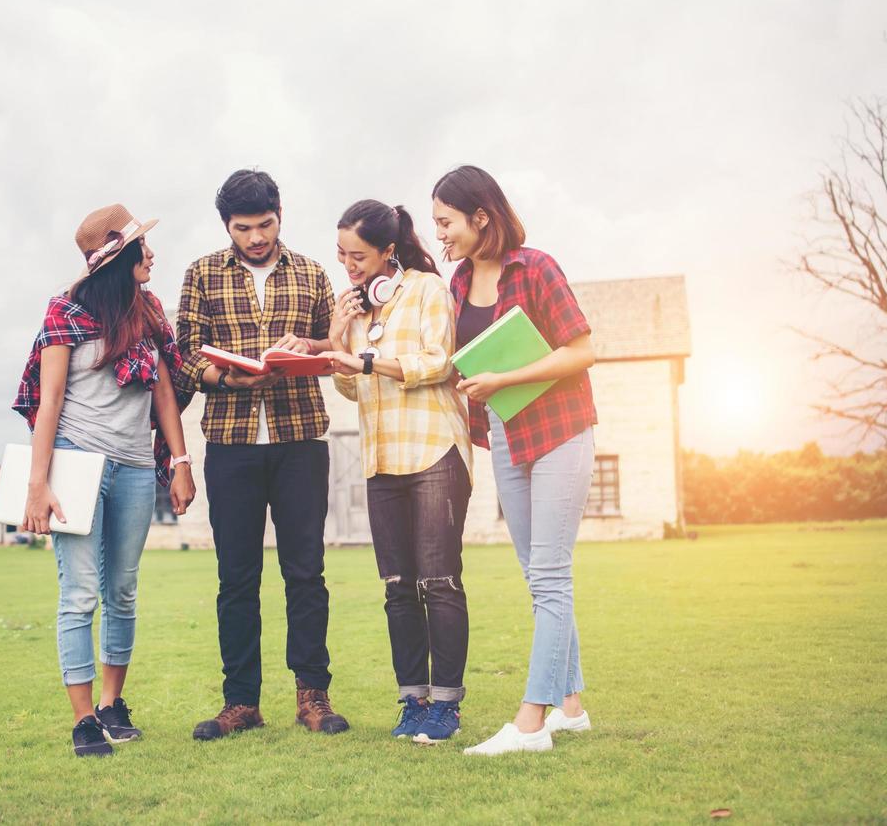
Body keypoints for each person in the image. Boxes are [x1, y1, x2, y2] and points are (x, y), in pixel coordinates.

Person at [13, 204, 197, 758]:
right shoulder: (66, 312)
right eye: (144, 246)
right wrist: (37, 484)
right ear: (119, 257)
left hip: (137, 468)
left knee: (122, 591)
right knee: (80, 594)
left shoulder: (148, 311)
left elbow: (163, 391)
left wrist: (181, 464)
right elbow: (48, 405)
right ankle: (84, 719)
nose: (153, 254)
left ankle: (114, 707)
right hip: (77, 462)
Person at [173, 169, 350, 740]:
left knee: (306, 574)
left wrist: (314, 345)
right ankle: (241, 702)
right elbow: (183, 357)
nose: (255, 237)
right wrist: (225, 378)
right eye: (242, 228)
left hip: (301, 439)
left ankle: (313, 696)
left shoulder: (312, 273)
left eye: (265, 224)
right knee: (236, 579)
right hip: (231, 442)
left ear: (281, 214)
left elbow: (339, 347)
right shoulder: (200, 274)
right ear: (226, 225)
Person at [430, 166, 600, 757]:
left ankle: (531, 724)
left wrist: (508, 376)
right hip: (506, 434)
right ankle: (572, 709)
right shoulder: (454, 283)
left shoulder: (537, 267)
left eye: (447, 222)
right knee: (538, 578)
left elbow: (582, 350)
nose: (441, 235)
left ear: (481, 217)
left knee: (551, 576)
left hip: (559, 430)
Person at [323, 200, 473, 745]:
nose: (348, 264)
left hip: (433, 452)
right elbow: (351, 387)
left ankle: (447, 706)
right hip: (382, 459)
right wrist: (341, 339)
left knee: (439, 581)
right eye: (341, 254)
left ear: (389, 250)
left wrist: (364, 359)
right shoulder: (359, 309)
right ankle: (413, 700)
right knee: (397, 588)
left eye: (357, 255)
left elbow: (439, 362)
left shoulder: (429, 290)